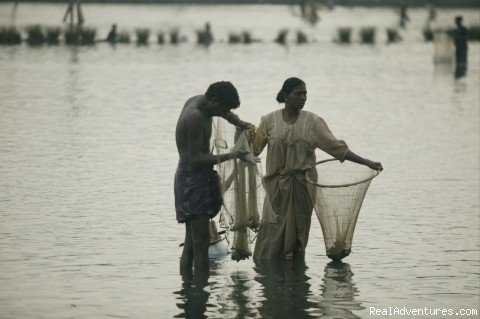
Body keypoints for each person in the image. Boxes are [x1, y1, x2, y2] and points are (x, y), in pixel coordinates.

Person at [252, 77, 382, 260]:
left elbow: (337, 148)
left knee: (298, 233)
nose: (303, 97)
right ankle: (270, 274)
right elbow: (254, 150)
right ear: (286, 96)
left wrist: (367, 162)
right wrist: (242, 134)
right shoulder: (268, 121)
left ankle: (295, 277)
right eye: (299, 94)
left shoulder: (313, 122)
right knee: (271, 231)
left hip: (303, 186)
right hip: (276, 188)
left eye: (305, 94)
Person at [175, 81, 250, 276]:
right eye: (224, 110)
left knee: (191, 242)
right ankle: (200, 295)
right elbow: (196, 160)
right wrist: (233, 154)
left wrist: (236, 121)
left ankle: (189, 296)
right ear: (215, 101)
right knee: (200, 246)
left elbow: (221, 111)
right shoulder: (196, 119)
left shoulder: (198, 101)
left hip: (190, 179)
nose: (223, 113)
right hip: (193, 180)